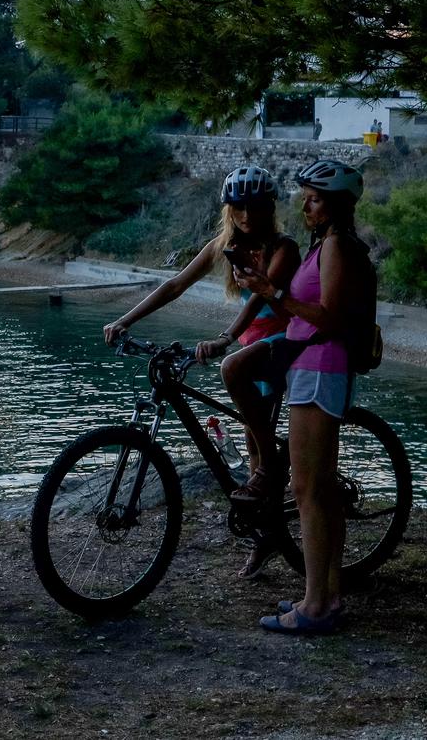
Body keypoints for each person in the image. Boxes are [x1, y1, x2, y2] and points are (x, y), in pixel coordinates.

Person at [101, 165, 301, 576]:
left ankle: (273, 467)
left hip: (286, 340)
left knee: (232, 371)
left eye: (256, 206)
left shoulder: (285, 247)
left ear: (270, 207)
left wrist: (226, 339)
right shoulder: (224, 245)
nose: (246, 215)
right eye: (238, 207)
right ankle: (267, 535)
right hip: (254, 343)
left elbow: (255, 303)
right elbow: (174, 285)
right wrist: (126, 320)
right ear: (228, 209)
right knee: (251, 443)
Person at [228, 157, 375, 635]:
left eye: (313, 200)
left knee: (307, 490)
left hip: (320, 368)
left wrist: (273, 291)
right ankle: (328, 595)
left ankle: (315, 606)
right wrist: (266, 289)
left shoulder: (335, 247)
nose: (305, 207)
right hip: (313, 368)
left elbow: (327, 316)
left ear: (333, 205)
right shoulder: (327, 246)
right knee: (323, 490)